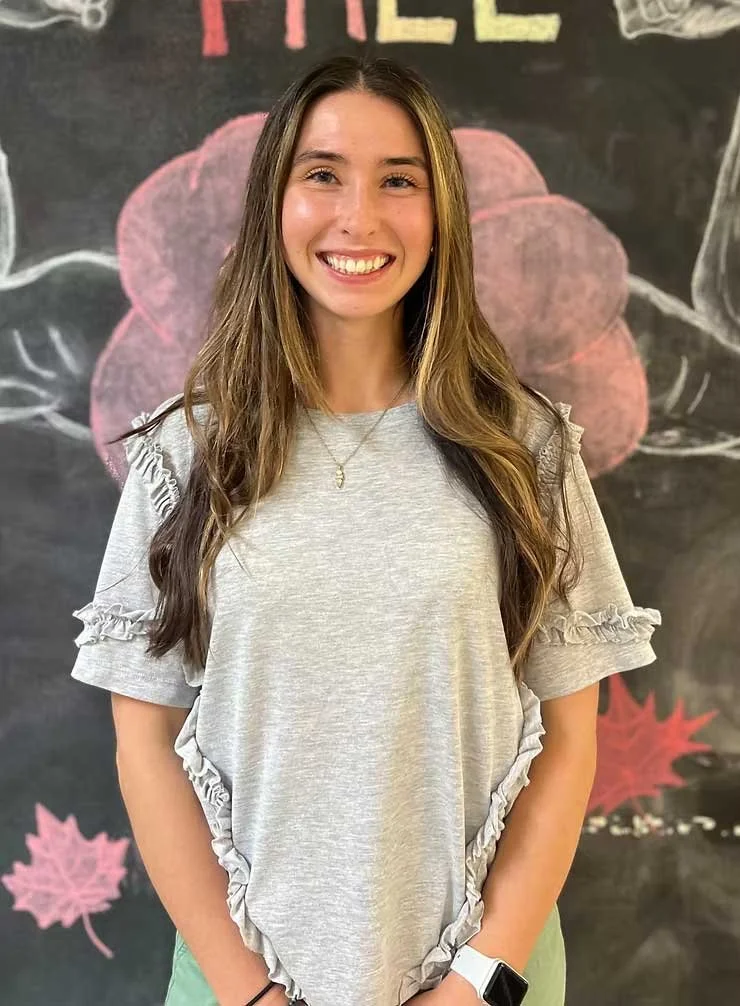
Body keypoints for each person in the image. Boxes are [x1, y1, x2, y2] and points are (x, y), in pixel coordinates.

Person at [69, 55, 661, 1006]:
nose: (361, 218)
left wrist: (475, 980)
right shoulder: (184, 456)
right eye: (323, 175)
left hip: (484, 976)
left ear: (442, 213)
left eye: (400, 180)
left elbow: (569, 731)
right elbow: (142, 736)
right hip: (243, 979)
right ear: (276, 202)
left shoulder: (526, 450)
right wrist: (248, 989)